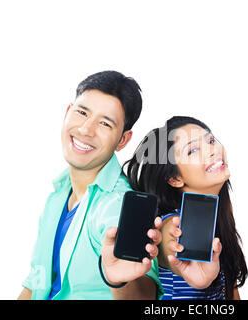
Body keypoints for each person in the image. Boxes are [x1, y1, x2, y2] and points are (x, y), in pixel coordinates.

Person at [18, 71, 163, 300]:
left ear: (122, 140)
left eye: (105, 123)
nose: (86, 129)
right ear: (68, 112)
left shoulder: (117, 207)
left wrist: (119, 280)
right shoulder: (57, 196)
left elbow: (145, 295)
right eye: (82, 112)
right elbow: (33, 287)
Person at [122, 116, 247, 300]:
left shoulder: (222, 214)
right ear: (175, 179)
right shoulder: (174, 224)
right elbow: (172, 243)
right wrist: (177, 246)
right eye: (193, 150)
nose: (212, 151)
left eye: (211, 140)